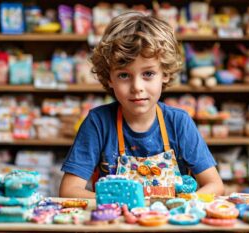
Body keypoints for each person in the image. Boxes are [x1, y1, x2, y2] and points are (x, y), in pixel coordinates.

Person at [59, 11, 224, 198]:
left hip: (169, 222)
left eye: (148, 74)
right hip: (118, 223)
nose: (137, 87)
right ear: (109, 78)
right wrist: (123, 202)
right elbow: (69, 191)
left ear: (165, 73)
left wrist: (187, 202)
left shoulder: (179, 123)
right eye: (124, 75)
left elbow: (214, 185)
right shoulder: (98, 123)